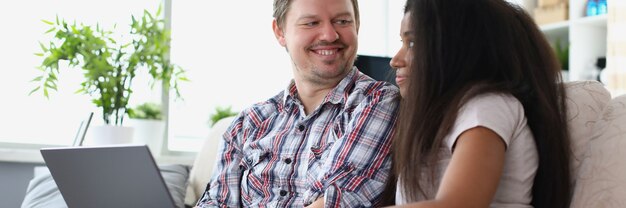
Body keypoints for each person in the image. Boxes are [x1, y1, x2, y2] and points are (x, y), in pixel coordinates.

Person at [195, 0, 400, 207]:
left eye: (342, 21)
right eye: (311, 23)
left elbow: (337, 201)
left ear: (357, 25)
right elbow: (216, 202)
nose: (330, 35)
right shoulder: (247, 123)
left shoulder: (379, 102)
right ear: (280, 32)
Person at [388, 0, 571, 207]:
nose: (395, 60)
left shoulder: (487, 106)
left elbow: (460, 204)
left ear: (460, 48)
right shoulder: (453, 116)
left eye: (412, 43)